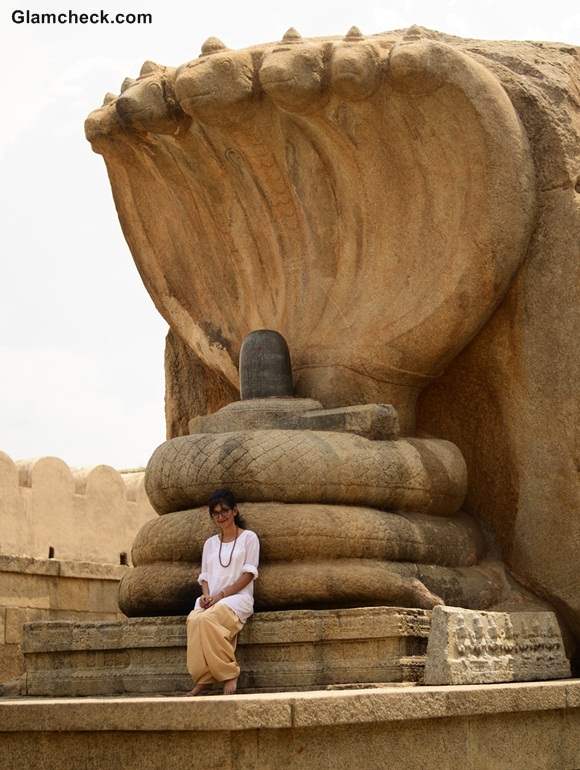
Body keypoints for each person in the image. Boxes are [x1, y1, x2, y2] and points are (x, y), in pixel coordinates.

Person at [185, 489, 260, 695]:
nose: (221, 516)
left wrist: (221, 596)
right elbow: (205, 576)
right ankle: (205, 678)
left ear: (234, 511)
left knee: (208, 621)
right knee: (194, 620)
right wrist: (207, 595)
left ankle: (228, 673)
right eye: (216, 513)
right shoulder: (210, 543)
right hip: (212, 600)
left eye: (224, 510)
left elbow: (248, 574)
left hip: (238, 599)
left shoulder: (249, 538)